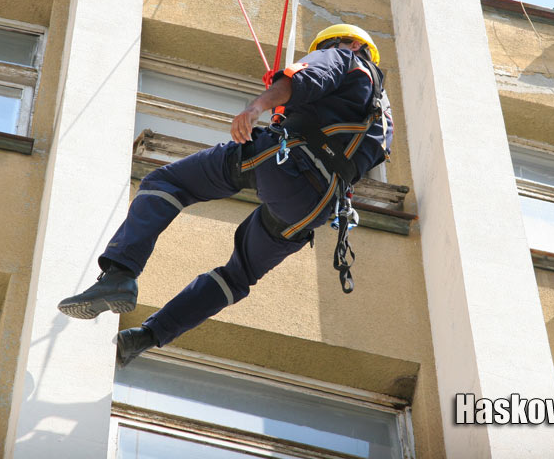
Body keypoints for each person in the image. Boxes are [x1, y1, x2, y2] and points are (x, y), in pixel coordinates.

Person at [57, 24, 394, 367]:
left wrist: (258, 107)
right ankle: (147, 337)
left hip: (285, 163)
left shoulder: (344, 56)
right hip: (314, 208)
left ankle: (119, 275)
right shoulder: (383, 119)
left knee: (166, 183)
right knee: (238, 276)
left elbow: (303, 79)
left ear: (352, 43)